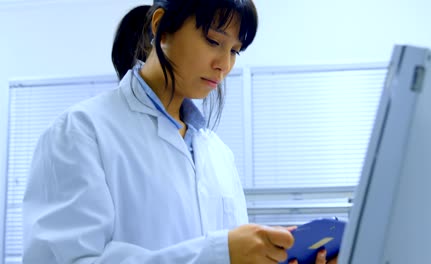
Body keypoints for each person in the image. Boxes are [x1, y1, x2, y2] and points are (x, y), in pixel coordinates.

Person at [22, 1, 337, 263]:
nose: (224, 64)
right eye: (214, 41)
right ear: (162, 27)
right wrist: (219, 254)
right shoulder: (80, 132)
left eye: (235, 51)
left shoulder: (217, 153)